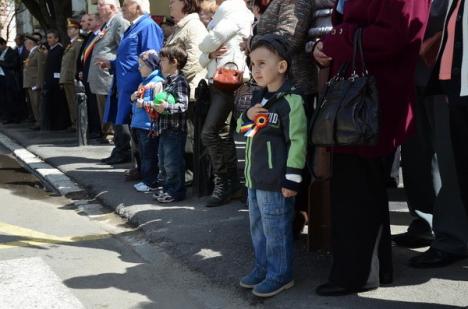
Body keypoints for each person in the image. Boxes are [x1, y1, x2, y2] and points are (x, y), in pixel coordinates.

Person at [312, 0, 430, 295]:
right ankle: (371, 269)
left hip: (372, 97)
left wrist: (337, 39)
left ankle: (356, 274)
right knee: (362, 185)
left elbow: (393, 35)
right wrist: (326, 46)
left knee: (357, 186)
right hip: (363, 93)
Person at [236, 34, 307, 298]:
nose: (255, 69)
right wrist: (246, 116)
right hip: (255, 179)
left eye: (262, 63)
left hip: (276, 181)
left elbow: (298, 141)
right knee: (258, 227)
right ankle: (262, 267)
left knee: (276, 229)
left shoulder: (292, 101)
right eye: (252, 63)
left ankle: (280, 274)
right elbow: (243, 131)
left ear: (281, 67)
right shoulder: (258, 98)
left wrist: (292, 180)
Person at [410, 0, 468, 268]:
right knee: (424, 155)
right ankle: (429, 223)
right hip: (424, 70)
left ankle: (452, 238)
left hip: (449, 72)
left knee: (450, 161)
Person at [198, 0, 254, 207]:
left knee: (210, 133)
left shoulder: (235, 10)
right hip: (219, 80)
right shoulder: (227, 14)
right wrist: (209, 53)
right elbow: (202, 56)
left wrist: (207, 50)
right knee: (221, 133)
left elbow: (206, 43)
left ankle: (225, 183)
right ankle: (230, 185)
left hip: (229, 81)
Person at [101, 0, 164, 166]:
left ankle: (145, 170)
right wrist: (112, 64)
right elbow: (129, 56)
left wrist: (146, 87)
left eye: (127, 3)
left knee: (140, 131)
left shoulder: (147, 26)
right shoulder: (133, 26)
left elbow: (152, 59)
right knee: (133, 129)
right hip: (126, 85)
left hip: (138, 87)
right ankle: (138, 166)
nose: (122, 6)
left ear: (138, 7)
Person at [88, 0, 130, 146]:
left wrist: (112, 64)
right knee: (104, 109)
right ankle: (110, 136)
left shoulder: (119, 22)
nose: (98, 8)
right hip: (102, 75)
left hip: (109, 76)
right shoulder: (108, 23)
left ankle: (113, 137)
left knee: (111, 110)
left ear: (111, 7)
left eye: (101, 5)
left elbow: (123, 49)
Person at [152, 45, 189, 203]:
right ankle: (167, 188)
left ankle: (176, 191)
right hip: (164, 128)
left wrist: (167, 107)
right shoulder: (167, 81)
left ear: (174, 62)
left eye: (163, 60)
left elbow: (183, 105)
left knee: (172, 162)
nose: (160, 63)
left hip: (174, 129)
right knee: (163, 161)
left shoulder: (180, 81)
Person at [130, 50, 165, 192]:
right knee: (144, 155)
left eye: (141, 65)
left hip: (148, 125)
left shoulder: (157, 82)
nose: (139, 68)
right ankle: (147, 180)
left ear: (151, 66)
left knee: (149, 155)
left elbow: (157, 104)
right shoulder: (144, 81)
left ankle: (151, 182)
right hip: (139, 124)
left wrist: (142, 102)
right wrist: (133, 97)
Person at [77, 13, 102, 140]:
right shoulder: (90, 36)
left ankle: (99, 130)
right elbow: (84, 56)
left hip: (96, 76)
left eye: (90, 20)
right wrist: (81, 70)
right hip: (87, 75)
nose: (87, 23)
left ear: (98, 22)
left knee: (96, 106)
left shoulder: (100, 35)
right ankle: (93, 129)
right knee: (90, 105)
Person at [42, 29, 69, 130]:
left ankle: (60, 124)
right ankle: (53, 124)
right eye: (47, 38)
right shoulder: (51, 49)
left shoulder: (59, 49)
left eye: (50, 37)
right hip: (50, 80)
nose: (48, 40)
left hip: (56, 81)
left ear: (56, 39)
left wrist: (59, 80)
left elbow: (60, 66)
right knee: (52, 103)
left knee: (58, 103)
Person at [60, 18, 83, 130]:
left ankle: (78, 124)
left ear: (77, 30)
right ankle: (74, 123)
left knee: (75, 102)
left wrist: (75, 76)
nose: (69, 30)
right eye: (68, 28)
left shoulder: (78, 43)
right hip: (66, 78)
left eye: (71, 28)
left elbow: (76, 61)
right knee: (71, 103)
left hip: (71, 77)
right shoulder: (71, 44)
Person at [23, 35, 42, 130]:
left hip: (35, 82)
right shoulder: (31, 53)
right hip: (30, 82)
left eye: (26, 43)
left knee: (37, 103)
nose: (25, 45)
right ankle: (37, 121)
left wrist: (38, 83)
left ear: (31, 43)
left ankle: (40, 122)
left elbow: (40, 69)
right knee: (33, 104)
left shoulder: (37, 52)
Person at [0, 37, 19, 124]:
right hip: (1, 78)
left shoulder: (12, 52)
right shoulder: (0, 53)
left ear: (3, 44)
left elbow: (14, 65)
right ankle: (5, 116)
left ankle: (14, 117)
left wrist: (1, 62)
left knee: (10, 98)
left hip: (9, 79)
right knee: (3, 99)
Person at [14, 34, 29, 122]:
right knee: (20, 96)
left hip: (25, 75)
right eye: (15, 39)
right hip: (18, 76)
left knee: (28, 96)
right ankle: (22, 114)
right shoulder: (15, 50)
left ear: (22, 40)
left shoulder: (26, 49)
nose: (15, 41)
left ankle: (28, 114)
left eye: (17, 39)